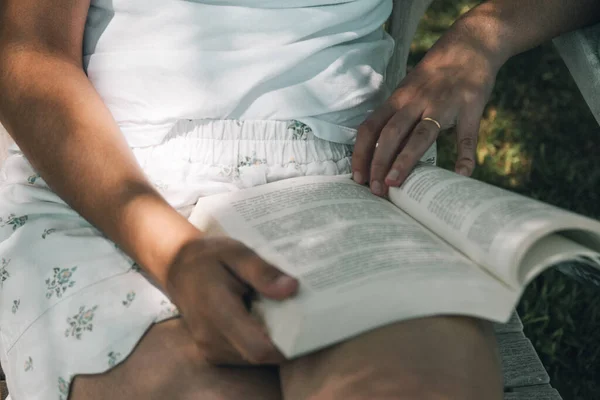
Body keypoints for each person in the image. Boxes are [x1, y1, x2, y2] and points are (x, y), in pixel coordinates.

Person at [0, 1, 596, 400]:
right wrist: (174, 255)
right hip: (104, 182)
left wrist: (484, 35)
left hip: (340, 177)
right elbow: (28, 53)